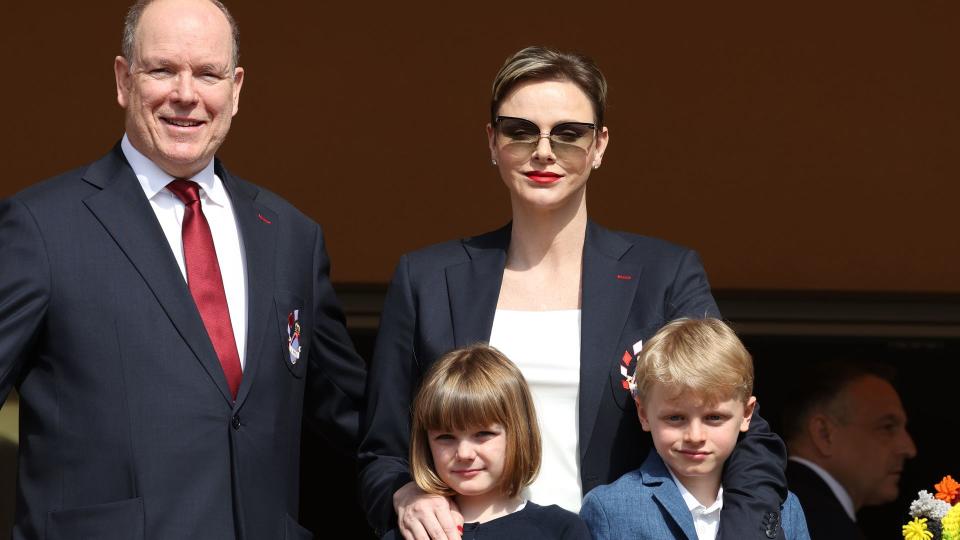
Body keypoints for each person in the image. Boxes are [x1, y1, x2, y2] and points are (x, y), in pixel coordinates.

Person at [358, 45, 788, 540]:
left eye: (568, 134)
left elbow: (742, 425)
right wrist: (404, 493)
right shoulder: (427, 279)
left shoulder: (664, 274)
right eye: (520, 131)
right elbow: (380, 450)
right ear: (492, 142)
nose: (544, 151)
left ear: (600, 145)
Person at [0, 0, 366, 538]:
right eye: (163, 69)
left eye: (208, 73)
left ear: (236, 89)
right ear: (124, 80)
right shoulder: (41, 227)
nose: (186, 94)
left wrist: (431, 483)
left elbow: (353, 414)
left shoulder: (291, 236)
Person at [580, 318, 809, 540]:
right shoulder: (610, 509)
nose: (695, 436)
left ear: (746, 414)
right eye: (675, 418)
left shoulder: (785, 509)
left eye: (714, 417)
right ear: (644, 414)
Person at [382, 344, 591, 539]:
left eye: (483, 434)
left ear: (518, 433)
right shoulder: (412, 533)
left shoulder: (559, 530)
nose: (464, 453)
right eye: (445, 437)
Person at [781, 361, 916, 540]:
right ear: (824, 434)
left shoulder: (767, 503)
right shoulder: (820, 525)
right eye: (887, 427)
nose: (909, 449)